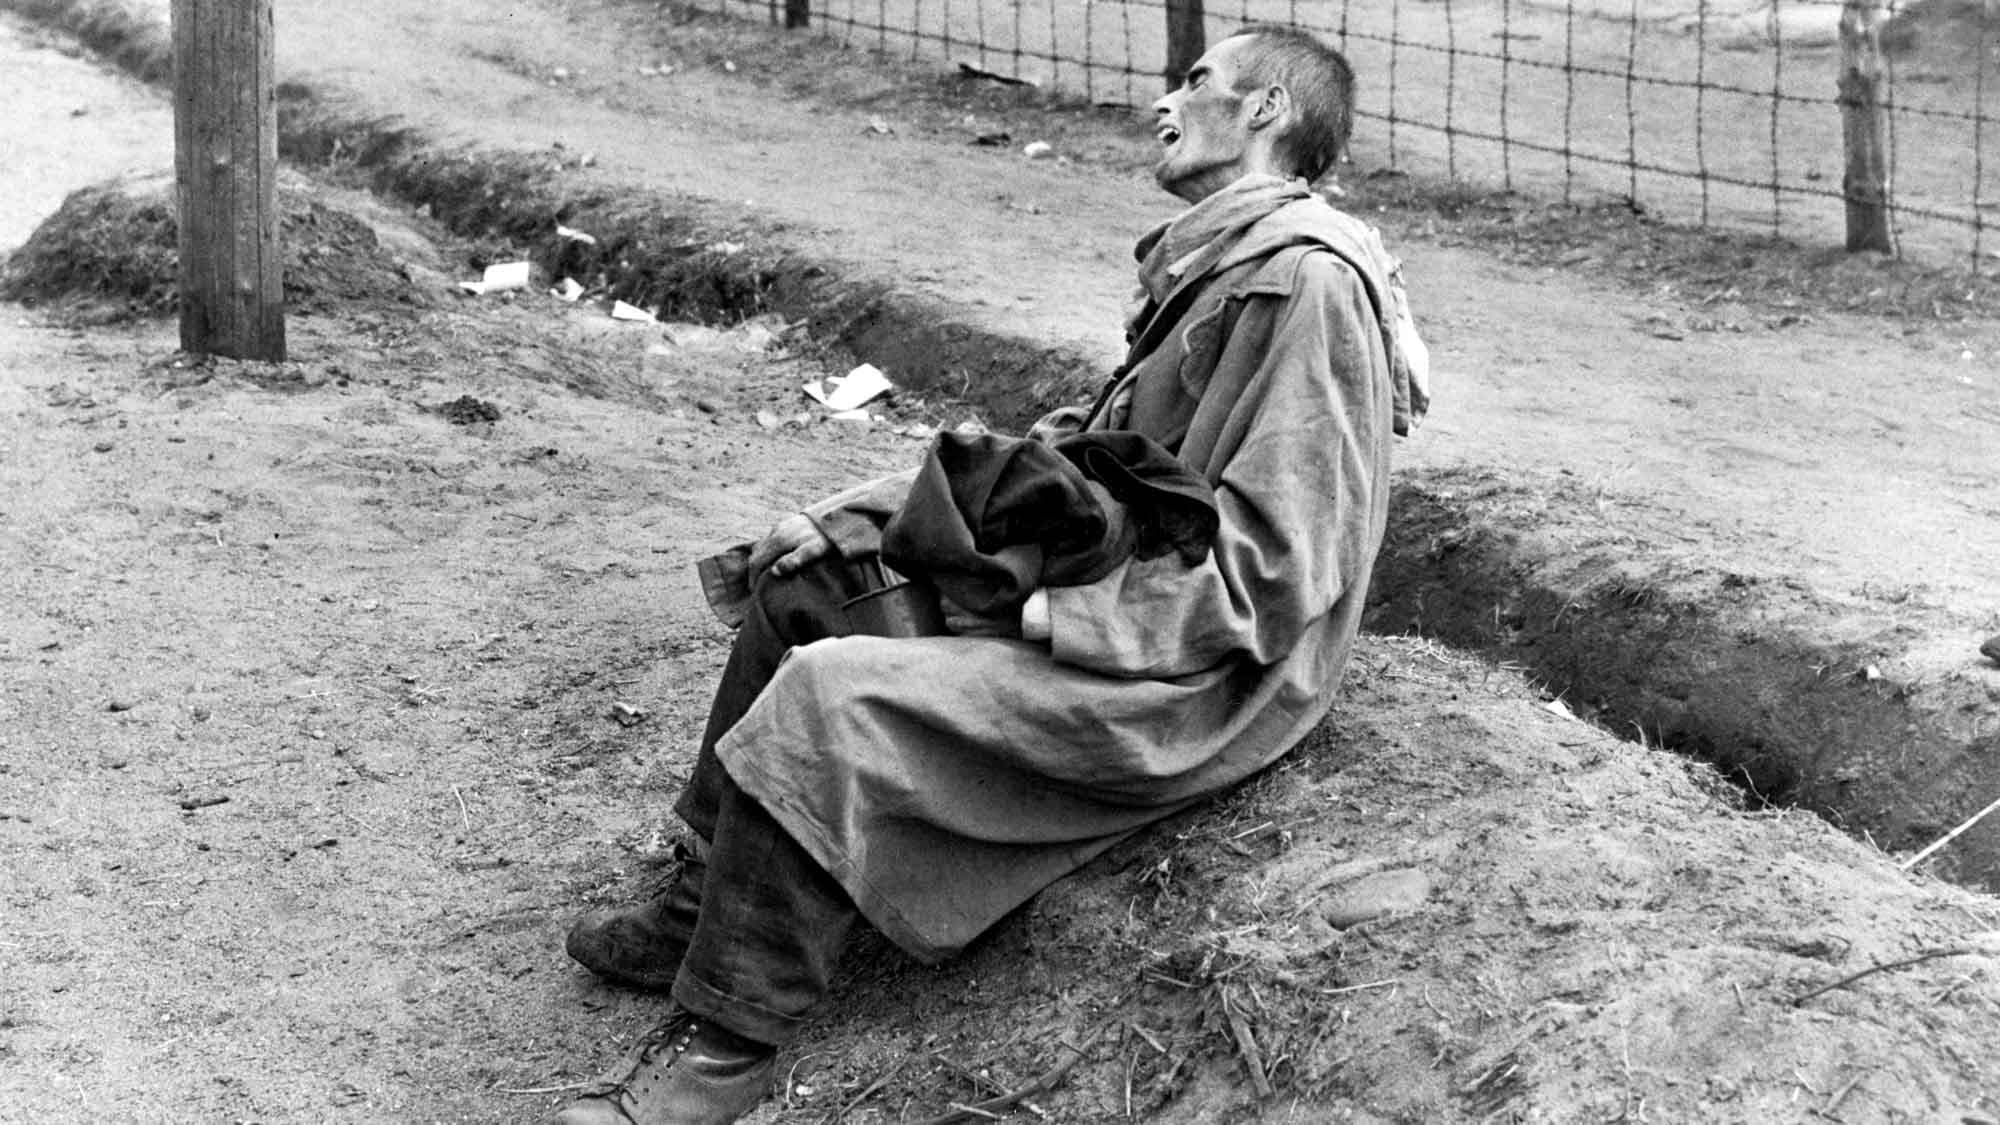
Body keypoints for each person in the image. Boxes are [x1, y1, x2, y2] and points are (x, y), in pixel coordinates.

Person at [551, 23, 1429, 1125]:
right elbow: (1069, 458)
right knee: (807, 589)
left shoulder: (1305, 287)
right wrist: (860, 513)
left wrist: (1042, 609)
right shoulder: (1219, 261)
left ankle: (725, 1054)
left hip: (1193, 677)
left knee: (833, 695)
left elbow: (1278, 570)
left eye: (1195, 81)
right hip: (1129, 609)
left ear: (1265, 113)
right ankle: (702, 905)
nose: (1164, 100)